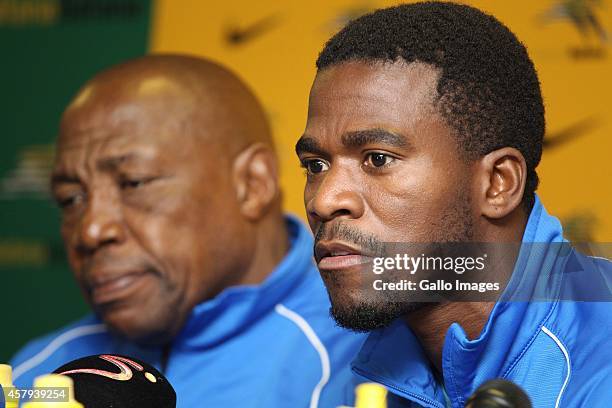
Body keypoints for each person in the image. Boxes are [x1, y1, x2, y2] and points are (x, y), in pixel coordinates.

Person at [296, 2, 611, 407]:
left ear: (498, 183)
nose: (324, 200)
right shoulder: (341, 376)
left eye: (378, 159)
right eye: (315, 165)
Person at [11, 54, 366, 407]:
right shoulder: (31, 376)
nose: (90, 230)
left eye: (133, 183)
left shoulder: (370, 359)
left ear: (252, 184)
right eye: (70, 199)